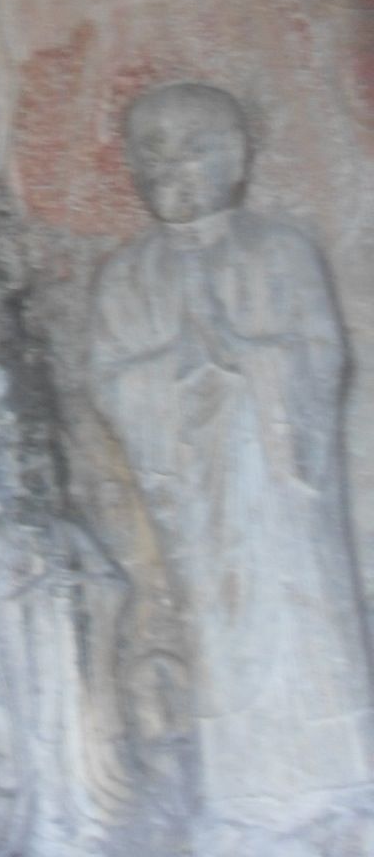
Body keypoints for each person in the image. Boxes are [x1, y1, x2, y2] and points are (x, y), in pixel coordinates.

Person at [90, 83, 374, 846]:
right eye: (152, 151)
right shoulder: (126, 276)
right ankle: (245, 794)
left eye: (193, 148)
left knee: (305, 620)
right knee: (219, 635)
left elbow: (320, 354)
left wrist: (243, 359)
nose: (171, 167)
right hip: (197, 498)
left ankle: (337, 784)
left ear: (238, 158)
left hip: (281, 491)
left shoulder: (280, 250)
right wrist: (179, 372)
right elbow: (110, 378)